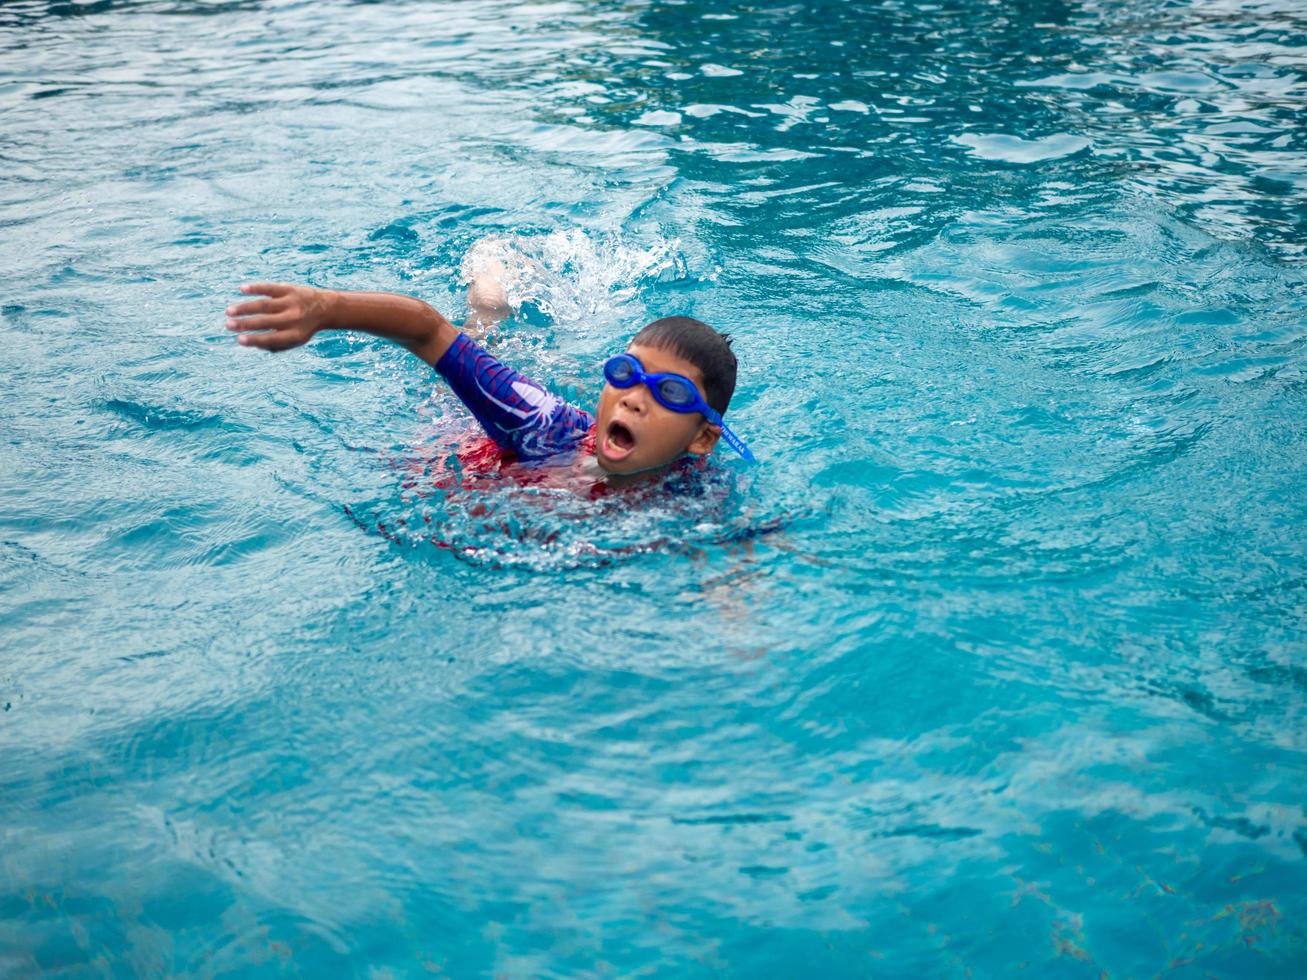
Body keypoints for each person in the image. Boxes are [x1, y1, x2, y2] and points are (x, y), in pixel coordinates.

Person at [225, 270, 754, 489]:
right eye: (625, 373)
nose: (635, 399)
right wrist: (328, 307)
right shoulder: (542, 424)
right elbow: (430, 331)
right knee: (475, 346)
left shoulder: (699, 494)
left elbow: (740, 557)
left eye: (670, 393)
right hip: (460, 436)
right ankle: (490, 301)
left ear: (704, 438)